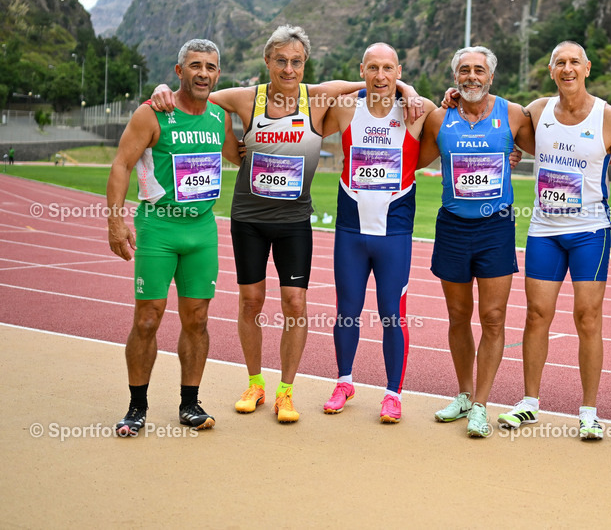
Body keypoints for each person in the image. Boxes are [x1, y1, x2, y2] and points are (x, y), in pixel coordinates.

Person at [151, 25, 422, 424]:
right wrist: (162, 88)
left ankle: (286, 391)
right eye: (281, 60)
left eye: (296, 61)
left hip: (295, 220)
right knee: (251, 302)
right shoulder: (247, 97)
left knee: (295, 303)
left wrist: (409, 91)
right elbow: (196, 94)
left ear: (305, 63)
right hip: (249, 218)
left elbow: (372, 82)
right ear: (267, 61)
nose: (289, 68)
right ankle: (256, 381)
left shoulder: (318, 97)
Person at [495, 41, 611, 440]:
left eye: (575, 62)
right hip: (544, 229)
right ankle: (529, 404)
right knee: (537, 315)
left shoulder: (609, 119)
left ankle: (589, 412)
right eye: (560, 63)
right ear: (551, 70)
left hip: (590, 231)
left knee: (587, 319)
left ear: (587, 68)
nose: (568, 68)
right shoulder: (536, 112)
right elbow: (494, 120)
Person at [106, 39, 240, 436]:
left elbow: (243, 154)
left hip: (202, 230)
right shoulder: (153, 113)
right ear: (179, 71)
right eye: (195, 66)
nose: (203, 73)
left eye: (211, 67)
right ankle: (136, 406)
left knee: (197, 318)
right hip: (159, 228)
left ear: (218, 74)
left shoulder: (220, 117)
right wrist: (115, 221)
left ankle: (190, 403)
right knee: (147, 318)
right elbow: (121, 164)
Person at [418, 46, 535, 437]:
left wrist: (516, 151)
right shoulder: (440, 116)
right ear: (455, 78)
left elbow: (550, 144)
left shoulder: (513, 114)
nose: (471, 76)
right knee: (457, 316)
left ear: (490, 76)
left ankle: (482, 405)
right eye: (464, 70)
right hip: (453, 226)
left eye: (478, 70)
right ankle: (465, 394)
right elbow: (412, 158)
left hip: (496, 228)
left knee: (494, 317)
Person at [322, 43, 436, 424]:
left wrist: (410, 92)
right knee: (347, 312)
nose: (381, 75)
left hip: (395, 232)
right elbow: (316, 91)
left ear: (399, 70)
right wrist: (396, 87)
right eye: (373, 68)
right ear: (362, 70)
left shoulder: (414, 112)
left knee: (392, 315)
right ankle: (344, 382)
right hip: (350, 230)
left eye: (388, 68)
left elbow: (446, 110)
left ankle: (392, 394)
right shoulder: (345, 108)